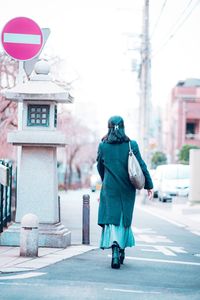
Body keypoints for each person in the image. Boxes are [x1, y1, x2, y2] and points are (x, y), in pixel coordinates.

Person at [97, 115, 153, 269]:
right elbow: (141, 165)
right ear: (123, 127)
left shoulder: (103, 146)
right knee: (123, 218)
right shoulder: (131, 145)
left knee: (111, 218)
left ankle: (114, 248)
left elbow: (100, 168)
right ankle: (121, 249)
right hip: (127, 188)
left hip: (110, 188)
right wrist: (149, 185)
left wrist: (105, 181)